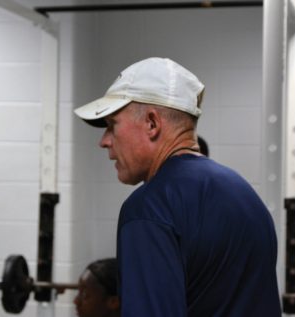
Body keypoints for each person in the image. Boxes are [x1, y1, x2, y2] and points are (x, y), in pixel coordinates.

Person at [74, 57, 281, 316]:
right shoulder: (244, 195)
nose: (104, 142)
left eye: (112, 126)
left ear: (152, 123)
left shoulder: (149, 209)